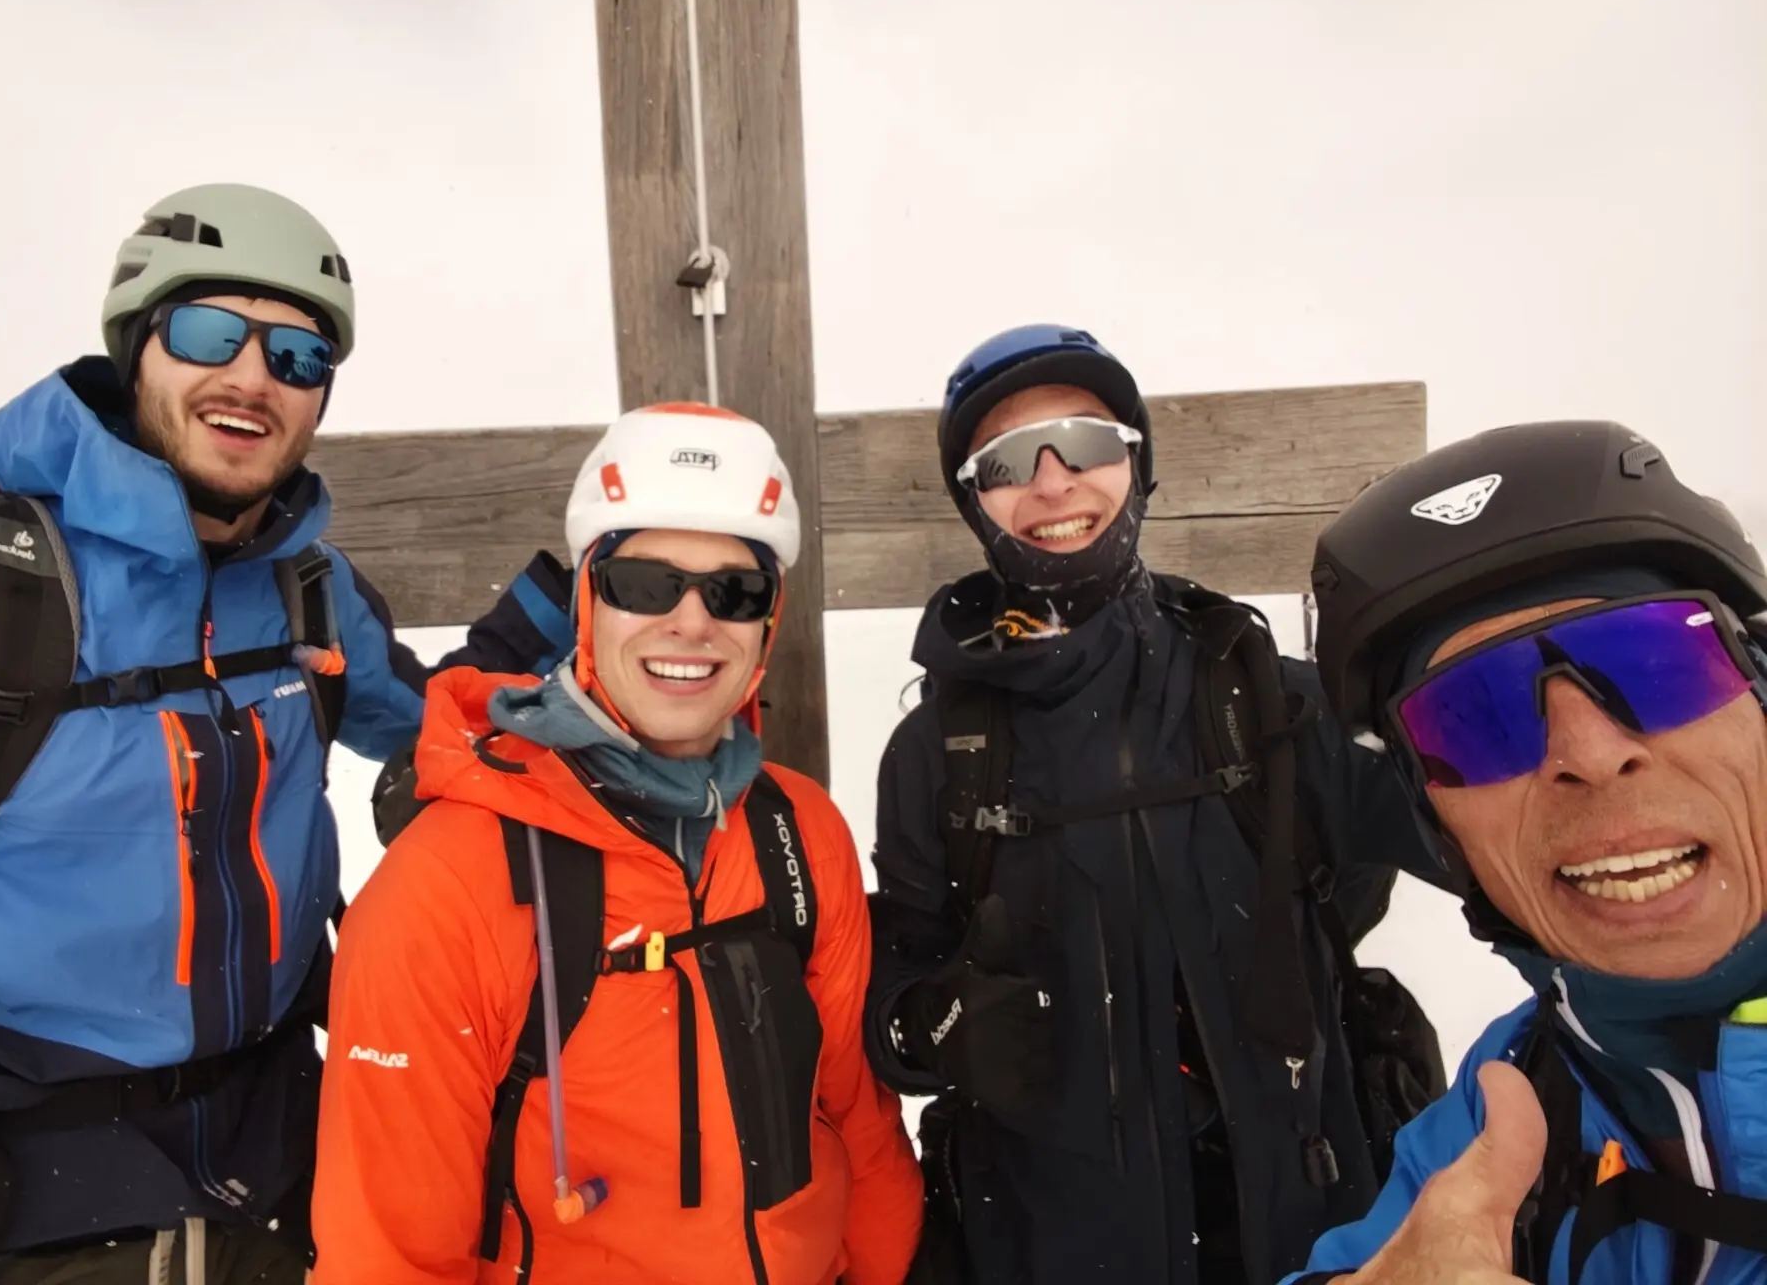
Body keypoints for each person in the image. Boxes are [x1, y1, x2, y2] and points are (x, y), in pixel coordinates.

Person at [0, 183, 566, 1285]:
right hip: (13, 1214)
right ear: (136, 345)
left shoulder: (309, 595)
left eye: (298, 356)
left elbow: (435, 732)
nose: (252, 378)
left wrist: (584, 606)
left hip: (282, 1186)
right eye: (208, 333)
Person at [865, 325, 1443, 1285]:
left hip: (1313, 1235)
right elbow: (892, 986)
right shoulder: (939, 754)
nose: (1054, 484)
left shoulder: (1267, 700)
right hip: (1047, 1249)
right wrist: (940, 1022)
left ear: (1137, 465)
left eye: (1086, 444)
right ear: (974, 500)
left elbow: (1487, 839)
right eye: (1008, 461)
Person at [312, 403, 923, 1285]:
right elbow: (390, 1256)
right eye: (645, 583)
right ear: (586, 603)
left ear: (767, 622)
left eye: (734, 591)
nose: (692, 622)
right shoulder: (448, 882)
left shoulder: (798, 830)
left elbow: (859, 1128)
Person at [1286, 419, 1767, 1285]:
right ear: (1439, 825)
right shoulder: (1511, 1096)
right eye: (1476, 719)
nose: (1589, 752)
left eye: (1657, 662)